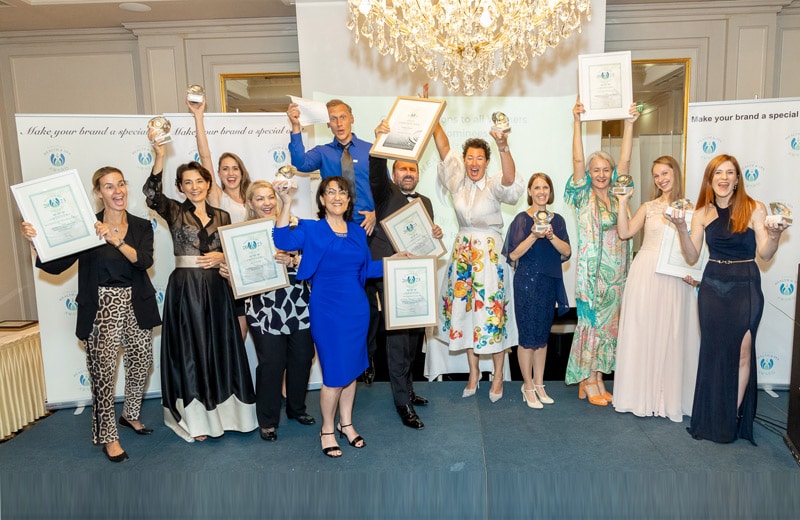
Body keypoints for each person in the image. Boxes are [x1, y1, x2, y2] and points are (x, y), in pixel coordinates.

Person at [21, 166, 161, 462]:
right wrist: (35, 241)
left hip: (137, 303)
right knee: (103, 374)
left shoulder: (140, 226)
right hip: (101, 306)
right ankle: (109, 437)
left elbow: (144, 261)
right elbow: (56, 266)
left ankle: (130, 414)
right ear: (98, 193)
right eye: (109, 186)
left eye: (120, 184)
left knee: (141, 363)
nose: (117, 191)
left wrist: (115, 240)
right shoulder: (86, 226)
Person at [665, 154, 787, 444]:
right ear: (710, 179)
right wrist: (681, 228)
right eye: (718, 172)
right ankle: (712, 415)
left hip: (745, 284)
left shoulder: (754, 208)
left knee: (743, 351)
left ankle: (731, 417)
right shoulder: (702, 213)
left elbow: (765, 254)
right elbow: (692, 256)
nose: (723, 177)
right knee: (714, 351)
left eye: (729, 172)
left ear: (737, 179)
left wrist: (774, 236)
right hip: (712, 286)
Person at [143, 137, 257, 442]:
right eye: (187, 182)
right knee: (192, 351)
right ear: (180, 187)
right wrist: (159, 155)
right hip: (186, 290)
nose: (194, 187)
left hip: (218, 290)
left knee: (221, 348)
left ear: (208, 183)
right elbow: (152, 196)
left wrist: (222, 257)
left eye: (199, 181)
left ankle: (229, 416)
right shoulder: (174, 211)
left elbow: (232, 252)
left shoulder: (223, 216)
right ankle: (197, 419)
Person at [272, 175, 389, 458]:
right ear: (322, 199)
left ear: (348, 200)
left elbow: (366, 270)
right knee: (335, 375)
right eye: (331, 192)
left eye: (342, 192)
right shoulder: (311, 229)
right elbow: (282, 239)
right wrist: (285, 202)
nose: (337, 196)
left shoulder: (357, 232)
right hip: (327, 311)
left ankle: (346, 423)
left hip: (357, 310)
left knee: (352, 370)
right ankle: (327, 429)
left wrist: (393, 263)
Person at [431, 114, 524, 403]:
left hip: (490, 257)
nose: (474, 162)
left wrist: (503, 145)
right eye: (470, 157)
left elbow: (510, 179)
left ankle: (497, 376)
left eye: (480, 158)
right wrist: (431, 115)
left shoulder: (494, 184)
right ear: (465, 160)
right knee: (466, 314)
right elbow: (444, 148)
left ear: (486, 161)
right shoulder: (457, 183)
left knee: (492, 314)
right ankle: (473, 374)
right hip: (463, 257)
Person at [287, 98, 380, 383]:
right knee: (338, 293)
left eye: (343, 117)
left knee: (369, 298)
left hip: (365, 230)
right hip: (336, 231)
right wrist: (295, 127)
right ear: (328, 123)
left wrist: (376, 212)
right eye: (333, 119)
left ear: (352, 118)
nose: (339, 123)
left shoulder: (371, 150)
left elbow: (383, 187)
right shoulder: (323, 152)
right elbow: (300, 163)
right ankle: (348, 361)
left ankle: (364, 358)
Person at [220, 180, 316, 442]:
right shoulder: (242, 233)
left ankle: (297, 408)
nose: (266, 203)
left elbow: (314, 261)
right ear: (250, 203)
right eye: (259, 198)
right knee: (271, 364)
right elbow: (239, 273)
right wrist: (230, 274)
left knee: (302, 359)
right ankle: (268, 420)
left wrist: (294, 260)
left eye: (270, 197)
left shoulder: (297, 226)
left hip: (299, 304)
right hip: (263, 309)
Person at [612, 156, 700, 421]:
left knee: (673, 335)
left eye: (665, 173)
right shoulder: (648, 207)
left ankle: (668, 398)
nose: (661, 179)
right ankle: (640, 397)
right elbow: (625, 232)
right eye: (656, 175)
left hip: (676, 278)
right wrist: (623, 202)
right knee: (645, 332)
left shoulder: (693, 209)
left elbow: (696, 251)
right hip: (646, 274)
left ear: (675, 173)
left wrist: (696, 276)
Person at [369, 120, 444, 429]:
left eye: (412, 169)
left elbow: (424, 239)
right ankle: (402, 402)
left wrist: (435, 234)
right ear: (394, 173)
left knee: (414, 339)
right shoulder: (384, 193)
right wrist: (379, 142)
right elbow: (375, 172)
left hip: (416, 276)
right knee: (398, 342)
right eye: (402, 169)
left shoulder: (425, 201)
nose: (408, 173)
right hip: (388, 274)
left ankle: (409, 390)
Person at [564, 97, 639, 406]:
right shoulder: (583, 195)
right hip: (592, 277)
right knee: (592, 326)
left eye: (606, 169)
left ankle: (597, 378)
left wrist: (629, 124)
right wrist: (577, 122)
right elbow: (577, 160)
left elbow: (626, 161)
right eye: (596, 170)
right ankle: (588, 379)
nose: (602, 174)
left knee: (608, 328)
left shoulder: (619, 193)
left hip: (617, 276)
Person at [503, 173, 571, 409]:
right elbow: (513, 254)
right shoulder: (522, 220)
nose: (541, 192)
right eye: (537, 187)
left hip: (548, 284)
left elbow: (566, 251)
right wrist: (534, 234)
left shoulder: (558, 221)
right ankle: (528, 386)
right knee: (527, 338)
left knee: (542, 338)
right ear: (530, 192)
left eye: (545, 187)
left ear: (550, 192)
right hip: (527, 283)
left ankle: (540, 384)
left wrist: (551, 236)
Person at [187, 96, 252, 337]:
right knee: (234, 336)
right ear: (218, 174)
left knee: (253, 337)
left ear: (242, 171)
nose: (230, 172)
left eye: (235, 168)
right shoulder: (217, 197)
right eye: (225, 168)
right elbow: (205, 157)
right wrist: (198, 116)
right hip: (228, 273)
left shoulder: (254, 198)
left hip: (253, 271)